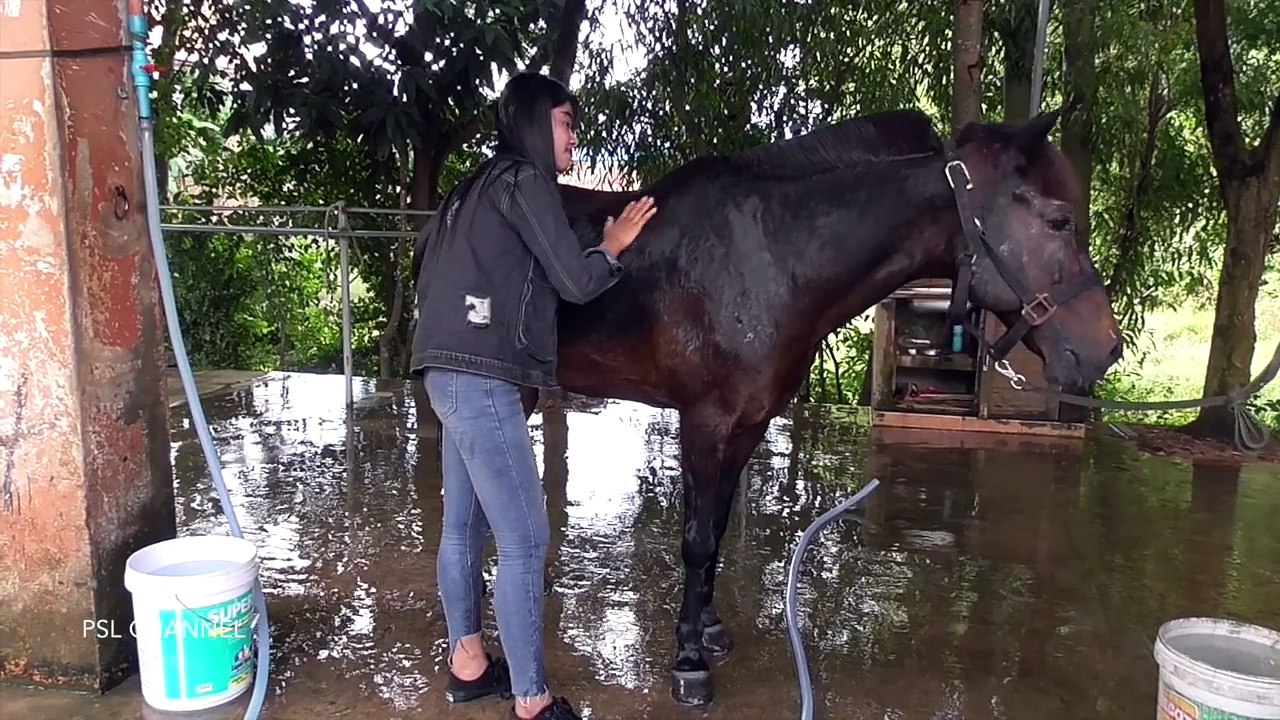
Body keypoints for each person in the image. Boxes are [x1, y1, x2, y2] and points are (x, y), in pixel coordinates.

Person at [410, 71, 658, 720]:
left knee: (463, 527)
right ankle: (532, 701)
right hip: (482, 374)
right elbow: (574, 281)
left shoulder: (471, 188)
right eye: (565, 121)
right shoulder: (523, 181)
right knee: (525, 540)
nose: (573, 134)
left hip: (442, 369)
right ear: (532, 123)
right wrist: (611, 245)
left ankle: (468, 665)